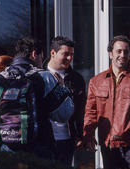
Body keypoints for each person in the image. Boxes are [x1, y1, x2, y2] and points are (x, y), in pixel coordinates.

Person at [0, 37, 74, 160]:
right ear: (34, 54)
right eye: (41, 57)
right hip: (38, 152)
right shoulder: (44, 77)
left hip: (4, 152)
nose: (42, 61)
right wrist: (63, 89)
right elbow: (64, 114)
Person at [82, 35, 130, 169]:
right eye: (118, 51)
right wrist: (89, 135)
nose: (122, 55)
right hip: (107, 144)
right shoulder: (96, 81)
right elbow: (91, 112)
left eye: (126, 52)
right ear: (110, 54)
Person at [45, 36, 86, 166]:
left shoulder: (76, 79)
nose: (69, 58)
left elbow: (81, 110)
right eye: (65, 54)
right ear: (53, 53)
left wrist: (81, 135)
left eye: (72, 54)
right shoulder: (38, 76)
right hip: (43, 139)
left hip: (67, 139)